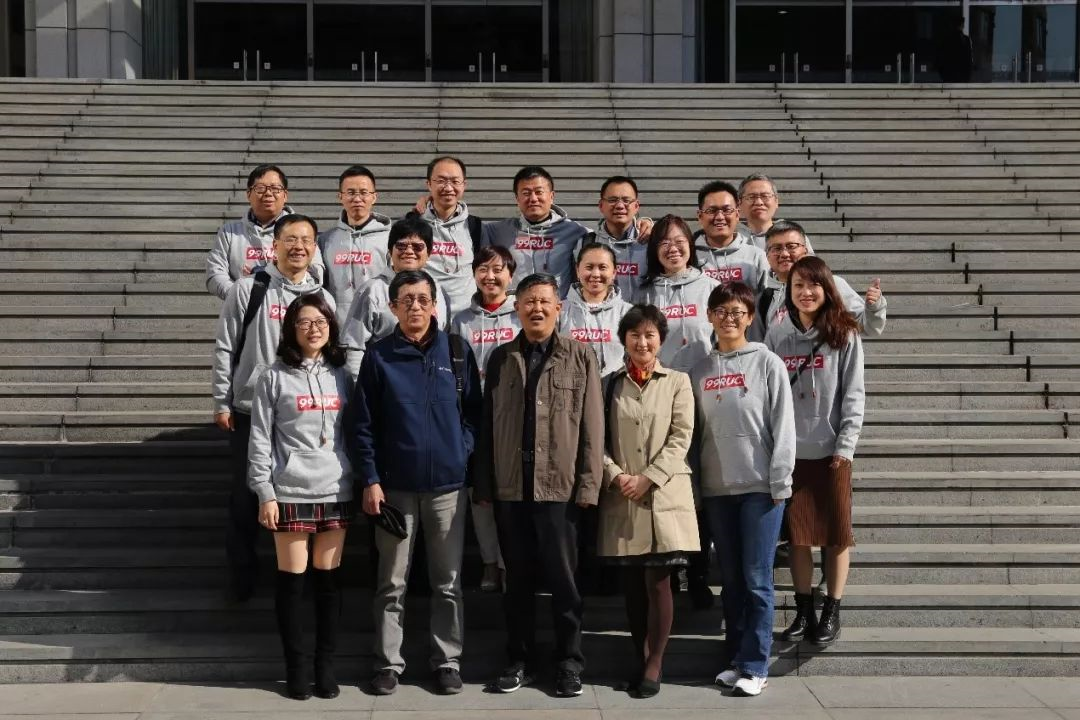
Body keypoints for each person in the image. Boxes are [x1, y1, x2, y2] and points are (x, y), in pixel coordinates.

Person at [349, 269, 482, 696]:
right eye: (407, 300)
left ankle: (447, 661)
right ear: (393, 307)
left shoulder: (456, 351)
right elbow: (363, 425)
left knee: (448, 582)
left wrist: (460, 450)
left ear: (435, 304)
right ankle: (388, 663)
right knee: (392, 583)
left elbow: (473, 414)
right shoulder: (379, 356)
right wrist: (370, 479)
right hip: (395, 489)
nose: (416, 307)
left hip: (447, 488)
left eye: (424, 299)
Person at [473, 273, 604, 698]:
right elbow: (488, 425)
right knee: (518, 583)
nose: (537, 309)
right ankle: (520, 659)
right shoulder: (501, 357)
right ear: (516, 308)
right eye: (529, 302)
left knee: (565, 582)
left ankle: (569, 663)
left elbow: (593, 427)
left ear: (559, 308)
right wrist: (485, 482)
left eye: (545, 301)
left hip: (559, 490)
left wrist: (588, 486)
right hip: (512, 489)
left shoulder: (580, 356)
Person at [212, 213, 335, 603]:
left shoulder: (323, 298)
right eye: (290, 239)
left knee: (301, 497)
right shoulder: (248, 289)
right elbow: (226, 347)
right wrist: (222, 400)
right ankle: (242, 581)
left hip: (302, 415)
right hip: (250, 408)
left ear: (315, 249)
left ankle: (302, 582)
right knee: (245, 497)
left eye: (306, 240)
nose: (298, 247)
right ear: (275, 245)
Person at [690, 282, 795, 698]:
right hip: (717, 489)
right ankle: (736, 659)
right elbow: (695, 434)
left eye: (737, 312)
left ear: (750, 317)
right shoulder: (699, 370)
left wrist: (780, 480)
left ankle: (756, 664)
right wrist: (697, 488)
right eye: (721, 311)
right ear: (709, 316)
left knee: (756, 579)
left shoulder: (767, 362)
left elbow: (783, 424)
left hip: (760, 489)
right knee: (732, 580)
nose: (728, 318)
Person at [248, 294, 354, 701]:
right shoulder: (272, 376)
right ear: (291, 329)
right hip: (290, 489)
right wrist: (265, 492)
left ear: (331, 326)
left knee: (328, 584)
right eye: (305, 322)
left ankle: (325, 668)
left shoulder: (342, 374)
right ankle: (296, 669)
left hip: (336, 487)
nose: (314, 328)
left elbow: (351, 432)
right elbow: (260, 439)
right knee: (293, 584)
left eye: (321, 321)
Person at [598, 303, 698, 698]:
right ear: (623, 339)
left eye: (650, 335)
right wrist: (615, 474)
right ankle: (638, 659)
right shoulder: (609, 384)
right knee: (633, 588)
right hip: (623, 494)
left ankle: (654, 663)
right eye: (635, 334)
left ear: (661, 340)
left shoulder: (678, 382)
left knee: (659, 582)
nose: (642, 342)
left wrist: (649, 478)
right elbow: (596, 438)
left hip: (664, 495)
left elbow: (681, 436)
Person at [765, 256, 865, 648]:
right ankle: (804, 609)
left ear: (827, 289)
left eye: (813, 285)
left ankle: (832, 610)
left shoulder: (844, 333)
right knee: (799, 537)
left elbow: (853, 394)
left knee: (836, 535)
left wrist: (846, 446)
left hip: (831, 452)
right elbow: (769, 394)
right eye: (798, 286)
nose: (806, 293)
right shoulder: (777, 334)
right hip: (790, 452)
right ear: (788, 292)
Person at [451, 244, 520, 593]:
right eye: (483, 269)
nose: (490, 277)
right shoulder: (460, 319)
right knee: (479, 495)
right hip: (474, 414)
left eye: (498, 270)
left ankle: (510, 564)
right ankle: (490, 562)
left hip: (513, 414)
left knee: (509, 493)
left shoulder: (520, 314)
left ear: (511, 275)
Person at [340, 216, 452, 375]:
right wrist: (360, 383)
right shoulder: (372, 290)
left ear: (429, 253)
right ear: (390, 251)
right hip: (386, 382)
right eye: (401, 246)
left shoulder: (438, 291)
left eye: (417, 247)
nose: (409, 251)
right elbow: (353, 346)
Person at [206, 164, 325, 300]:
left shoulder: (303, 230)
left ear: (285, 195)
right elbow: (215, 274)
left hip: (290, 308)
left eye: (275, 188)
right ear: (248, 194)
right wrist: (242, 296)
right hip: (243, 310)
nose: (268, 193)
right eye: (260, 188)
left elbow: (316, 275)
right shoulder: (229, 232)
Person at [757, 220, 885, 339]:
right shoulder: (764, 299)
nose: (784, 254)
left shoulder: (830, 284)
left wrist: (874, 308)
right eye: (777, 248)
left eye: (791, 246)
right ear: (767, 255)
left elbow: (868, 328)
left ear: (805, 250)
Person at [482, 166, 591, 296]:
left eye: (539, 192)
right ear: (517, 199)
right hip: (513, 307)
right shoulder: (497, 231)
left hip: (557, 306)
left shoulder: (576, 232)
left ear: (551, 196)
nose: (533, 198)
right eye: (526, 193)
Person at [633, 214, 719, 373]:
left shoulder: (712, 288)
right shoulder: (643, 294)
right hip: (658, 381)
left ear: (690, 244)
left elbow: (724, 341)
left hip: (704, 378)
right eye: (665, 243)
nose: (673, 249)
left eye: (679, 241)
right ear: (654, 249)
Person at [317, 165, 391, 326]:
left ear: (374, 197)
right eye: (350, 193)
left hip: (379, 325)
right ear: (340, 196)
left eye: (364, 192)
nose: (357, 199)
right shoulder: (326, 240)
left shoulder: (389, 238)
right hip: (337, 325)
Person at [414, 156, 486, 319]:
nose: (448, 187)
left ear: (464, 185)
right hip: (426, 317)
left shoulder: (475, 226)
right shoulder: (413, 223)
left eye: (455, 181)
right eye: (441, 181)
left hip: (466, 318)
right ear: (429, 184)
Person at [558, 242, 632, 378]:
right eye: (589, 267)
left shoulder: (628, 312)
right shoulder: (559, 311)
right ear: (577, 270)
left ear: (614, 272)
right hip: (570, 387)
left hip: (615, 387)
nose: (596, 274)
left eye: (603, 267)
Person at [694, 180, 769, 294]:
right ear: (700, 216)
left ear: (737, 214)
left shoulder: (756, 257)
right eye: (712, 211)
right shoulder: (690, 256)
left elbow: (769, 300)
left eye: (727, 210)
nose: (720, 217)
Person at [583, 176, 651, 298]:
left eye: (626, 200)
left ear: (636, 206)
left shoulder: (650, 241)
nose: (620, 205)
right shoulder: (586, 243)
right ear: (601, 205)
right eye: (612, 200)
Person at [735, 173, 814, 253]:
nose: (759, 202)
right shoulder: (732, 236)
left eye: (765, 196)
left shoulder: (793, 234)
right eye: (751, 197)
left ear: (776, 201)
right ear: (739, 203)